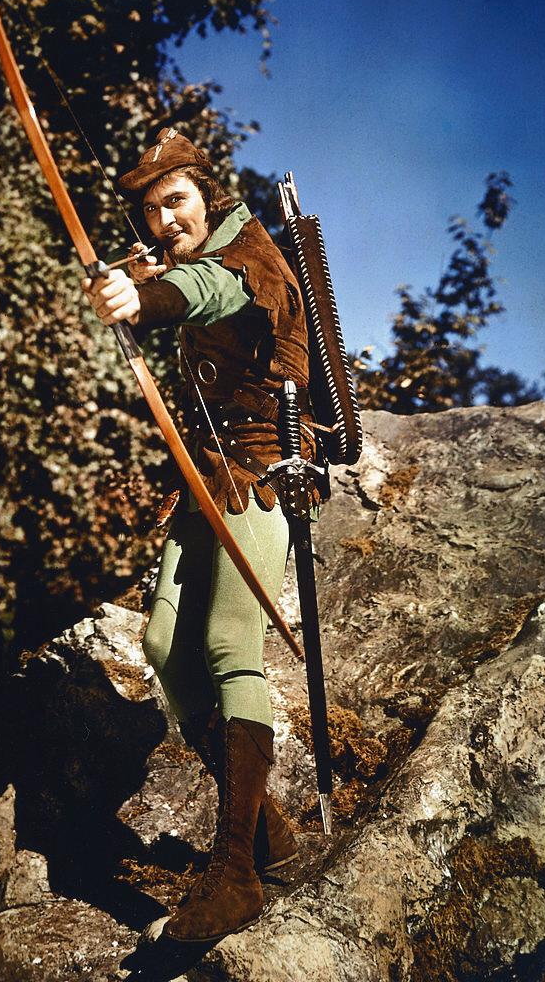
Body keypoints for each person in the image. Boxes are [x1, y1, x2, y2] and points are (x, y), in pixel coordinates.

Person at [81, 128, 324, 943]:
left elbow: (212, 291)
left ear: (207, 195)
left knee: (227, 646)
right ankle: (265, 830)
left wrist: (144, 300)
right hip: (206, 481)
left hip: (262, 467)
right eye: (149, 209)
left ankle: (236, 873)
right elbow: (179, 273)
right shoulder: (187, 252)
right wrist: (137, 279)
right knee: (160, 646)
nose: (161, 219)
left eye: (174, 200)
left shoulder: (250, 253)